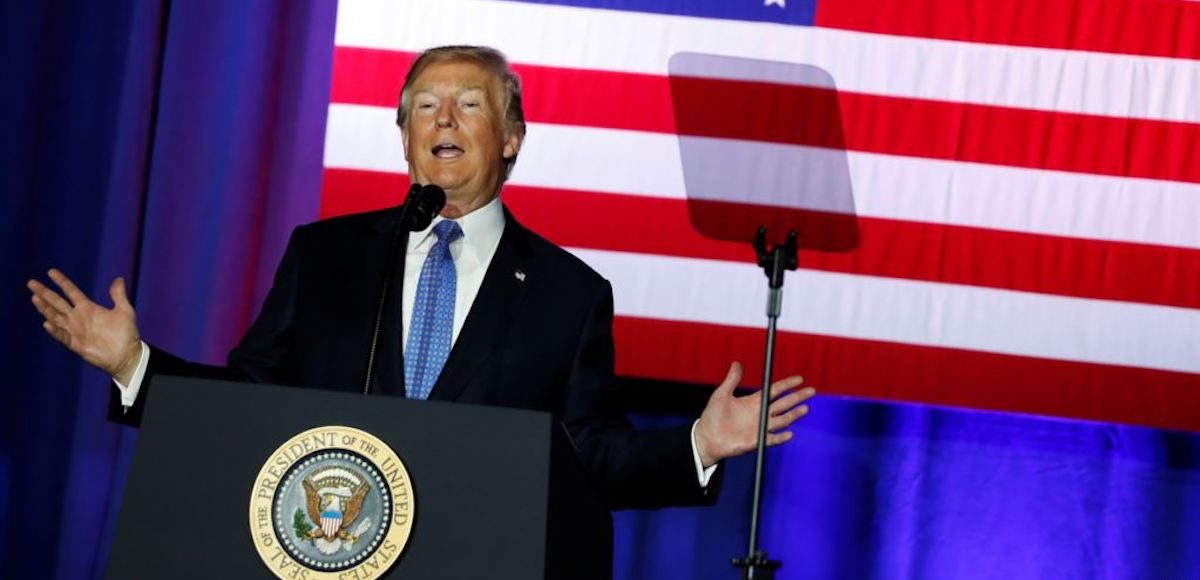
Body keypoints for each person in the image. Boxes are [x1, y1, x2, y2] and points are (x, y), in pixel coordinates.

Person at [27, 45, 814, 509]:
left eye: (468, 104)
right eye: (424, 106)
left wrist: (695, 446)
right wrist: (136, 367)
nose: (442, 119)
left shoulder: (571, 295)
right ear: (402, 135)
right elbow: (249, 407)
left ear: (510, 139)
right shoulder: (323, 255)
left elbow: (588, 454)